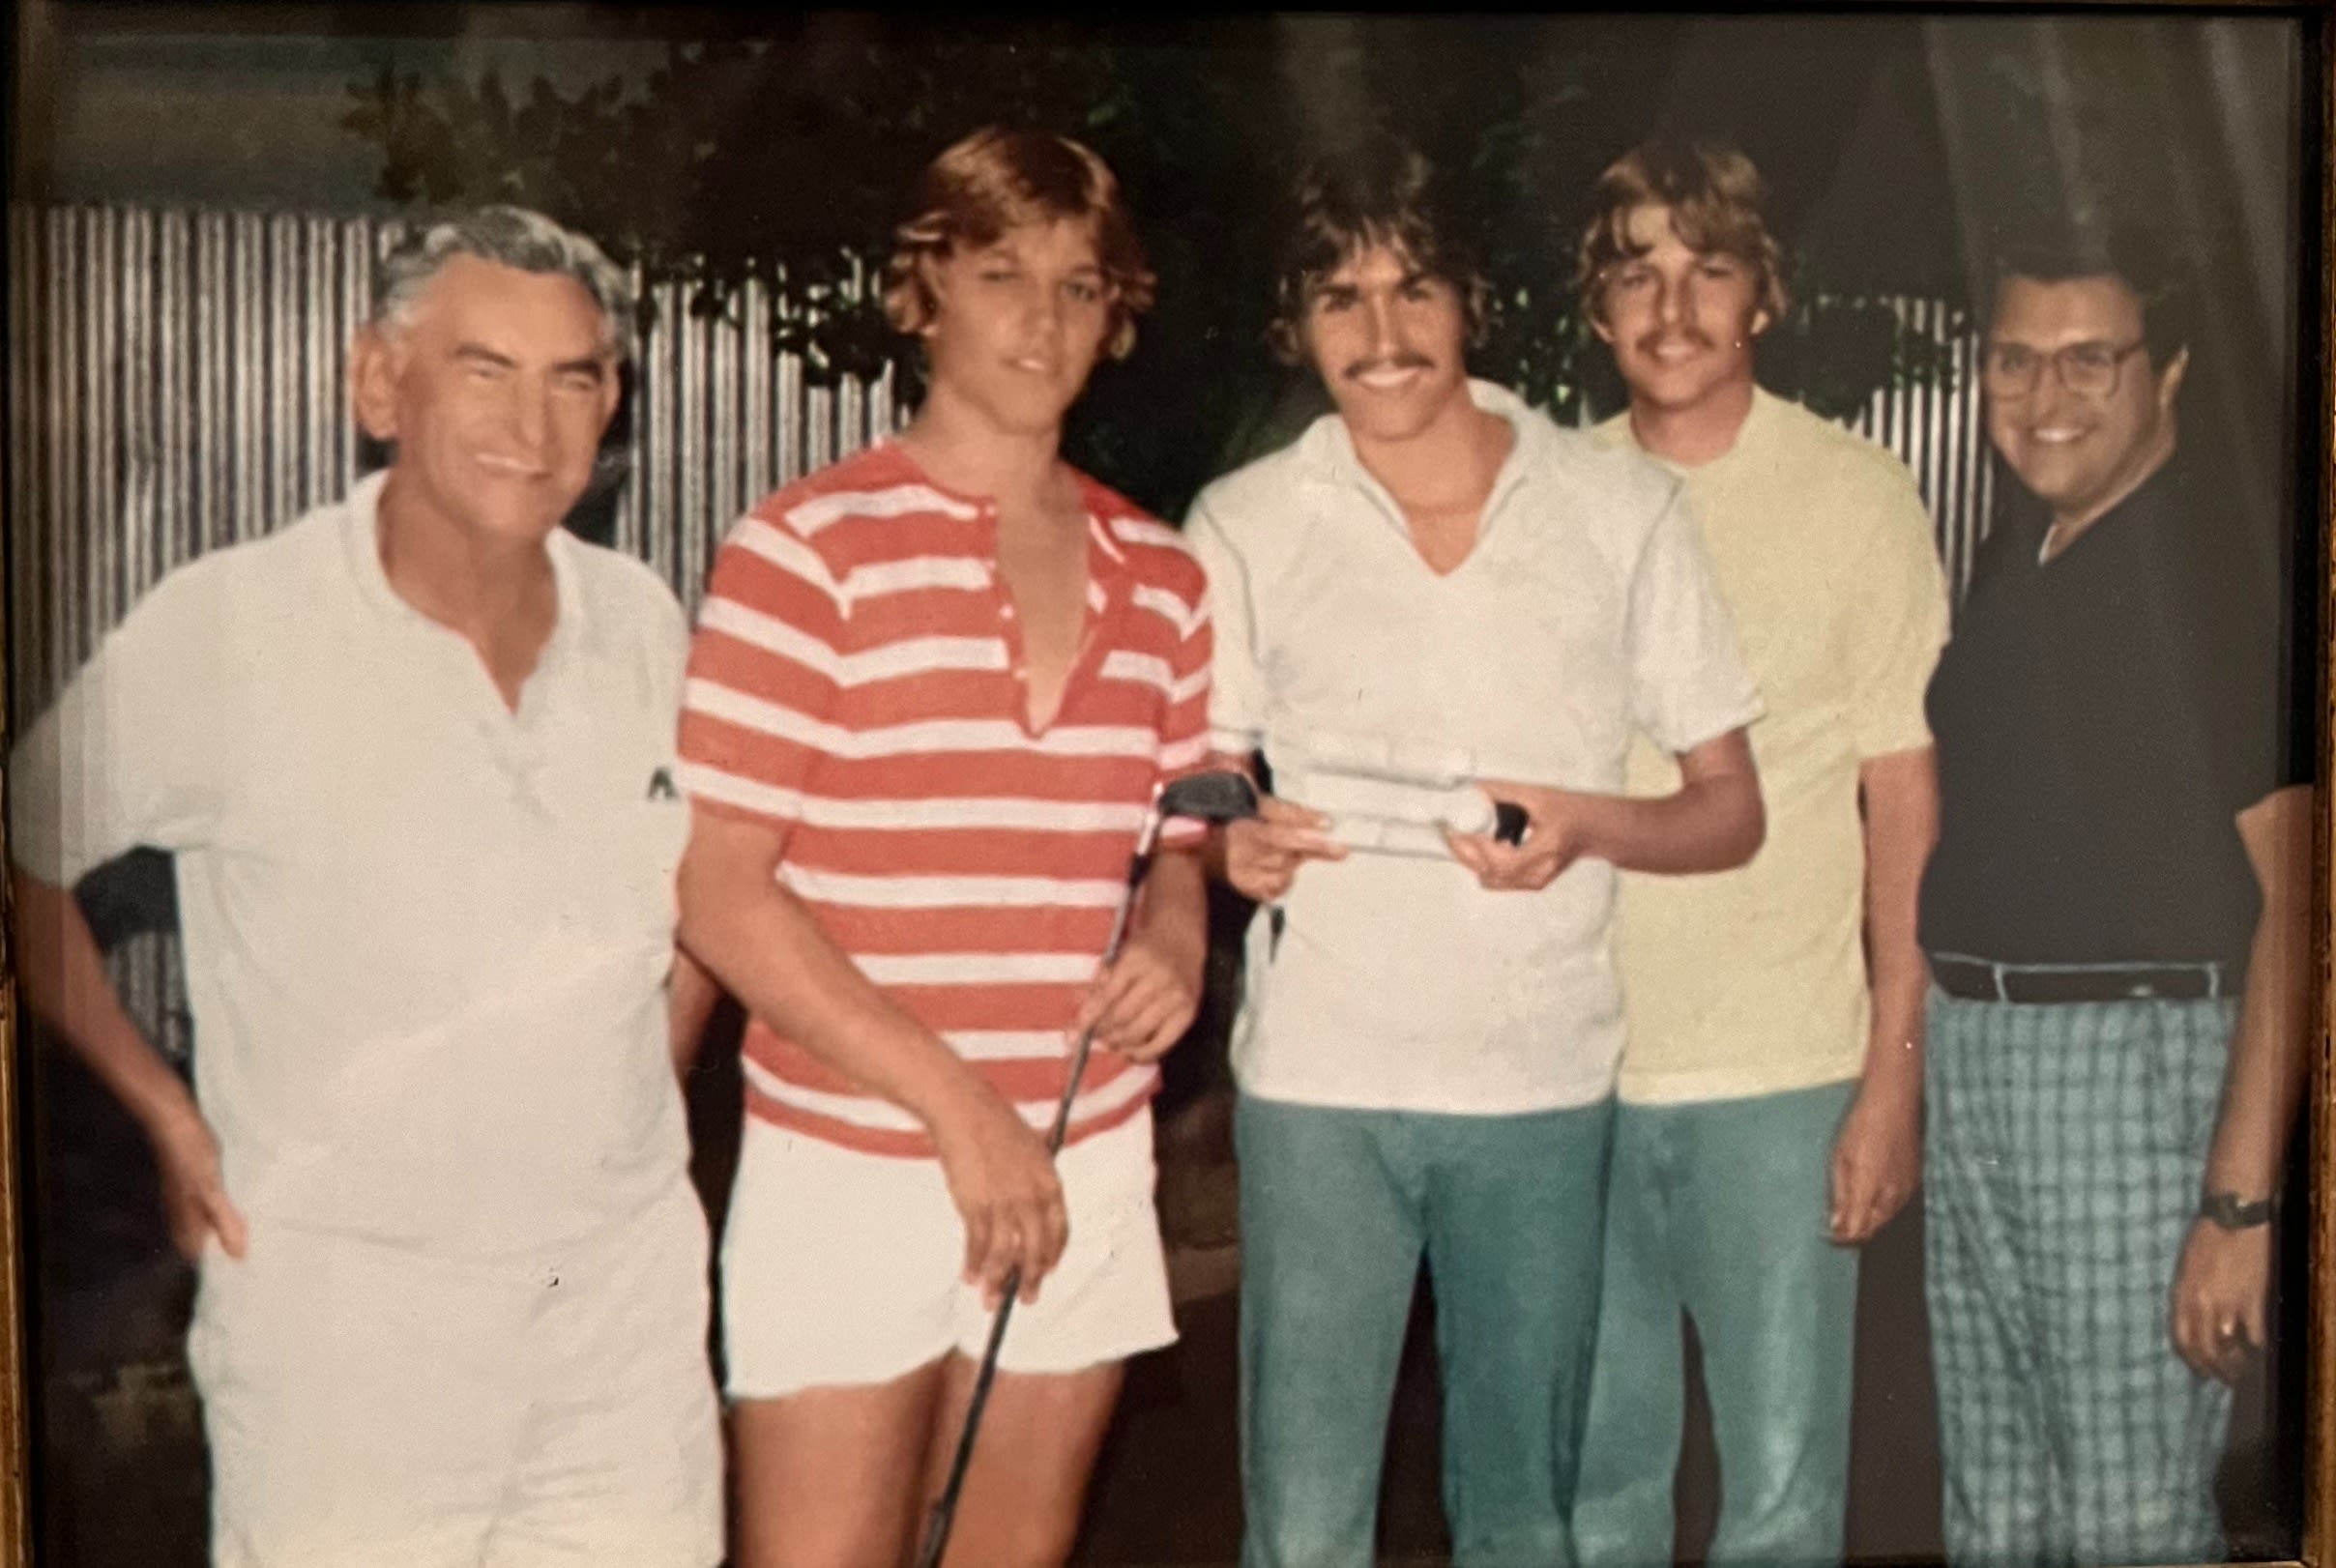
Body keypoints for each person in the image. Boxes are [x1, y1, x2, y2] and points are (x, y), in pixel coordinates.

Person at [8, 207, 722, 1566]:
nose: (536, 419)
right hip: (349, 1320)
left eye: (575, 376)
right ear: (379, 383)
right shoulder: (230, 628)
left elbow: (702, 896)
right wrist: (165, 1111)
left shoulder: (641, 619)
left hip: (618, 1312)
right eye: (484, 368)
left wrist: (651, 1080)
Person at [1185, 134, 1767, 1568]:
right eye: (1339, 300)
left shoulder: (1622, 509)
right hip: (1319, 1090)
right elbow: (1199, 773)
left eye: (1413, 290)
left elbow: (1728, 806)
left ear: (1475, 302)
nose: (1381, 339)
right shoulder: (1245, 521)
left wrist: (1584, 825)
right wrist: (1228, 844)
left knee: (1519, 1516)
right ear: (1295, 324)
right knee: (1305, 1524)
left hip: (1540, 1089)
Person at [672, 127, 1212, 1568]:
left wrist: (1177, 923)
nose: (1043, 319)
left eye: (1082, 286)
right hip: (853, 1148)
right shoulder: (803, 548)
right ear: (923, 292)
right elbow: (718, 889)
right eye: (1001, 274)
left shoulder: (1163, 574)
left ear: (1119, 313)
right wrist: (955, 1108)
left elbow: (1185, 816)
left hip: (1081, 1150)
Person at [1564, 140, 1949, 1567]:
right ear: (1598, 310)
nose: (1672, 308)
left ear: (1764, 296)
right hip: (1570, 1072)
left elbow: (1902, 798)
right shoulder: (1540, 494)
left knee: (1783, 1503)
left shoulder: (1858, 496)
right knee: (1594, 1492)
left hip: (1785, 1080)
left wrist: (1889, 1079)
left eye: (1708, 268)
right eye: (1636, 272)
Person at [1919, 226, 2313, 1565]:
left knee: (2127, 1518)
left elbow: (2302, 902)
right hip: (1976, 1059)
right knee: (1997, 1502)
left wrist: (2239, 1206)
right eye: (2017, 360)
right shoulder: (2009, 560)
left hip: (2129, 1070)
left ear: (2174, 373)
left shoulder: (2215, 576)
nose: (2048, 397)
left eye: (2092, 359)